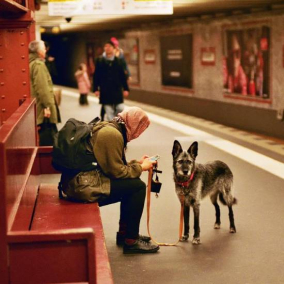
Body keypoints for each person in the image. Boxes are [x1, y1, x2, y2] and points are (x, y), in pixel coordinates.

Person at [61, 107, 159, 254]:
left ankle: (125, 234)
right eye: (140, 128)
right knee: (137, 187)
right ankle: (131, 240)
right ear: (133, 123)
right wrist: (141, 168)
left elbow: (112, 165)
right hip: (83, 186)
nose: (139, 133)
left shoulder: (112, 127)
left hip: (81, 181)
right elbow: (117, 173)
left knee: (131, 186)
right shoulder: (112, 134)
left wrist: (137, 164)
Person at [29, 40, 61, 146]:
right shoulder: (38, 65)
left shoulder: (31, 63)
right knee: (50, 139)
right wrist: (47, 106)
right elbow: (42, 89)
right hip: (44, 109)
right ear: (38, 51)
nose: (45, 50)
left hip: (39, 107)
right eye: (43, 48)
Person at [93, 40, 129, 121]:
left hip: (117, 90)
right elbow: (96, 75)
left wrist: (126, 88)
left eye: (109, 46)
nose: (107, 48)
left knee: (120, 108)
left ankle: (114, 122)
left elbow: (123, 76)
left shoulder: (118, 61)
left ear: (113, 48)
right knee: (109, 113)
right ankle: (112, 128)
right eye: (106, 46)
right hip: (105, 90)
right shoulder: (99, 61)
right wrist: (95, 89)